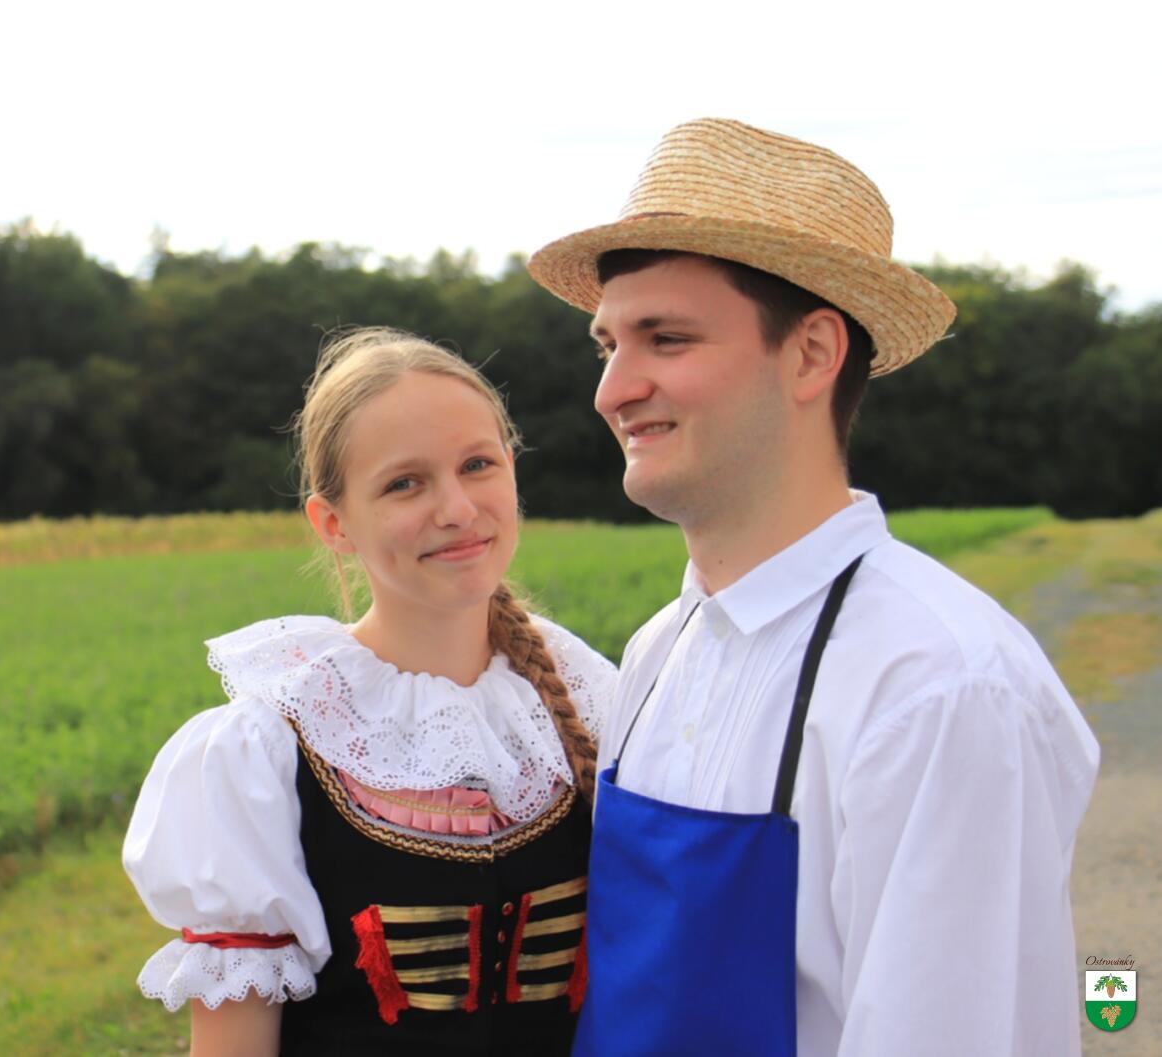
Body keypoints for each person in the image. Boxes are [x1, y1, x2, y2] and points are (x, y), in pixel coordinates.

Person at [526, 118, 1100, 1056]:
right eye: (607, 346)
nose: (613, 390)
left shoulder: (939, 685)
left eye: (665, 338)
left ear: (812, 354)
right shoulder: (657, 651)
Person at [122, 327, 616, 1056]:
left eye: (476, 464)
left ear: (512, 471)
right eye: (404, 483)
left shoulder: (594, 695)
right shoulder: (268, 751)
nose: (457, 508)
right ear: (334, 524)